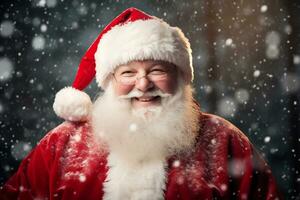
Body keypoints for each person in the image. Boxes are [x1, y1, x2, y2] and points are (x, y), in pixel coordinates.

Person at [0, 7, 282, 200]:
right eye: (128, 73)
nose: (143, 84)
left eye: (158, 70)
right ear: (110, 81)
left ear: (180, 77)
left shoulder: (224, 141)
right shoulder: (62, 144)